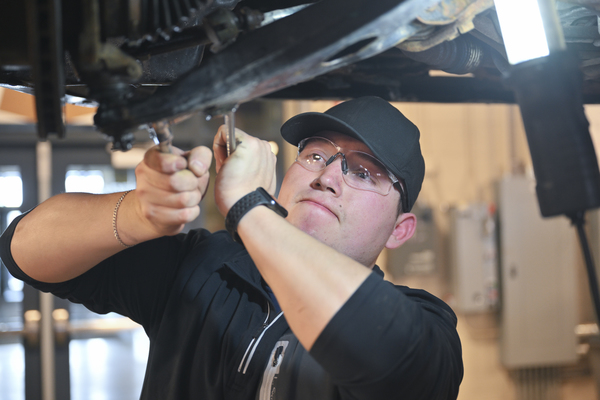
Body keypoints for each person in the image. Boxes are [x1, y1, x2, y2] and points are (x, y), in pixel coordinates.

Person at [0, 96, 463, 399]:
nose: (327, 176)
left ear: (400, 230)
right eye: (317, 153)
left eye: (364, 172)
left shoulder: (426, 325)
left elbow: (389, 352)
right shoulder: (207, 268)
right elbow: (24, 249)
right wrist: (140, 214)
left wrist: (250, 210)